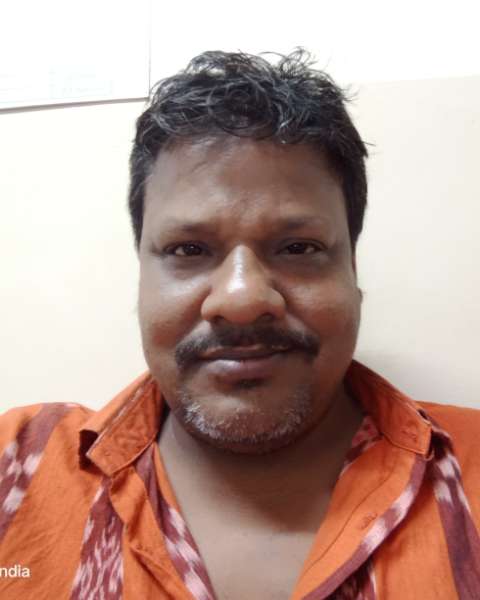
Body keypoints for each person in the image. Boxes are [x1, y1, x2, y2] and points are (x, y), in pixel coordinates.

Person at [0, 49, 479, 600]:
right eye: (189, 250)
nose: (243, 299)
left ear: (353, 272)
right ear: (141, 275)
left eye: (298, 247)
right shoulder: (19, 465)